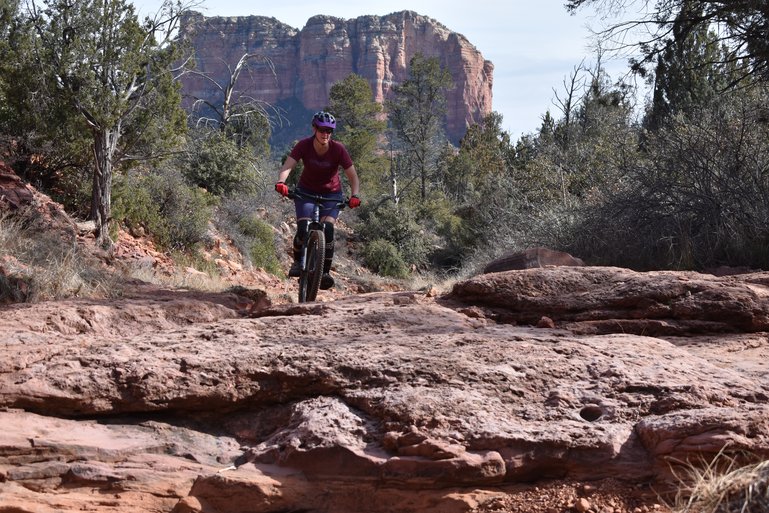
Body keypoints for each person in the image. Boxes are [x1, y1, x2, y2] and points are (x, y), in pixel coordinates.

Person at [275, 111, 361, 290]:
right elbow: (288, 166)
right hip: (306, 191)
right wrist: (281, 182)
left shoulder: (338, 149)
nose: (325, 134)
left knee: (328, 228)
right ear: (314, 128)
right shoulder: (304, 145)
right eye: (322, 129)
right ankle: (298, 263)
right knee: (303, 228)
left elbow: (353, 176)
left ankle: (324, 273)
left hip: (332, 194)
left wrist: (355, 195)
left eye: (329, 130)